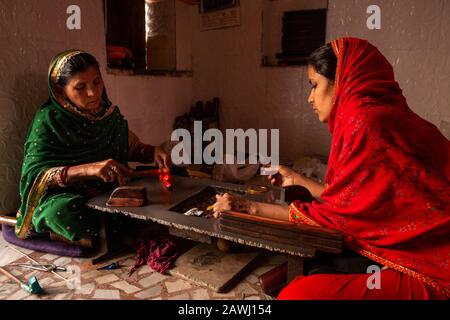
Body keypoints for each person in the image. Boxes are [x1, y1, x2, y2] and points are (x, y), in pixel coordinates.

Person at [213, 37, 449, 299]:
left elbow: (338, 221)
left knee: (298, 295)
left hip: (435, 266)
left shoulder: (365, 122)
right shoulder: (380, 114)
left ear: (342, 82)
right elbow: (360, 204)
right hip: (425, 249)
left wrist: (248, 207)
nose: (310, 97)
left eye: (315, 85)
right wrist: (299, 180)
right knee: (312, 264)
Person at [15, 50, 170, 246]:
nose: (93, 93)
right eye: (81, 87)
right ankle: (124, 224)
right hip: (71, 194)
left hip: (111, 187)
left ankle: (118, 225)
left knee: (174, 174)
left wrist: (152, 151)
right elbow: (35, 176)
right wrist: (89, 169)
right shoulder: (49, 120)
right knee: (63, 212)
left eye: (97, 82)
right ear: (60, 90)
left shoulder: (108, 114)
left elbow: (129, 147)